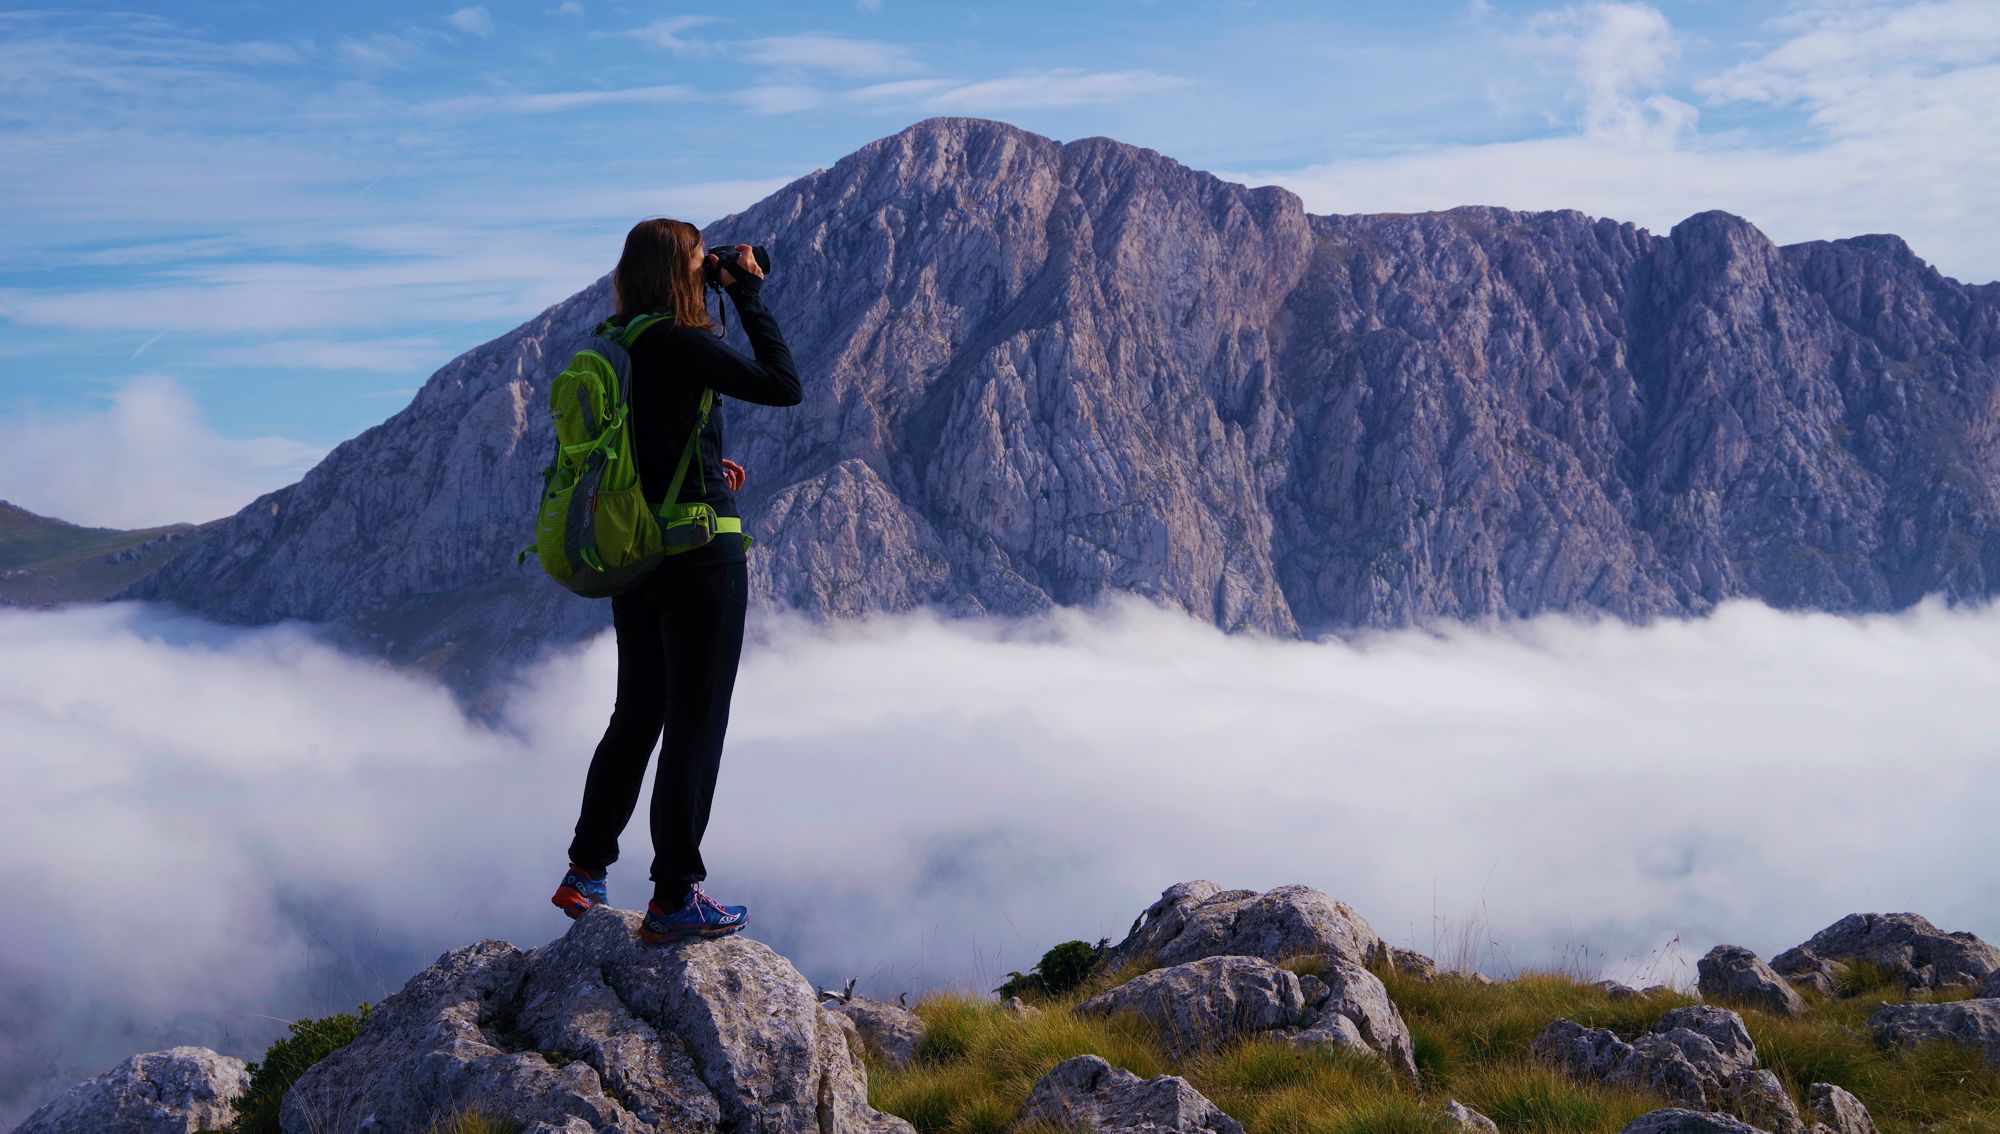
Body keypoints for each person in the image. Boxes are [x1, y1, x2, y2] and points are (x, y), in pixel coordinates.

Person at [550, 217, 801, 944]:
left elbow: (646, 442)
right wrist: (749, 294)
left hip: (637, 553)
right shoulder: (683, 343)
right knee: (697, 717)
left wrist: (704, 465)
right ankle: (675, 894)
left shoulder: (617, 342)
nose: (708, 266)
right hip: (700, 556)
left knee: (638, 712)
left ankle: (586, 869)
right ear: (679, 271)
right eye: (700, 258)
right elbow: (784, 386)